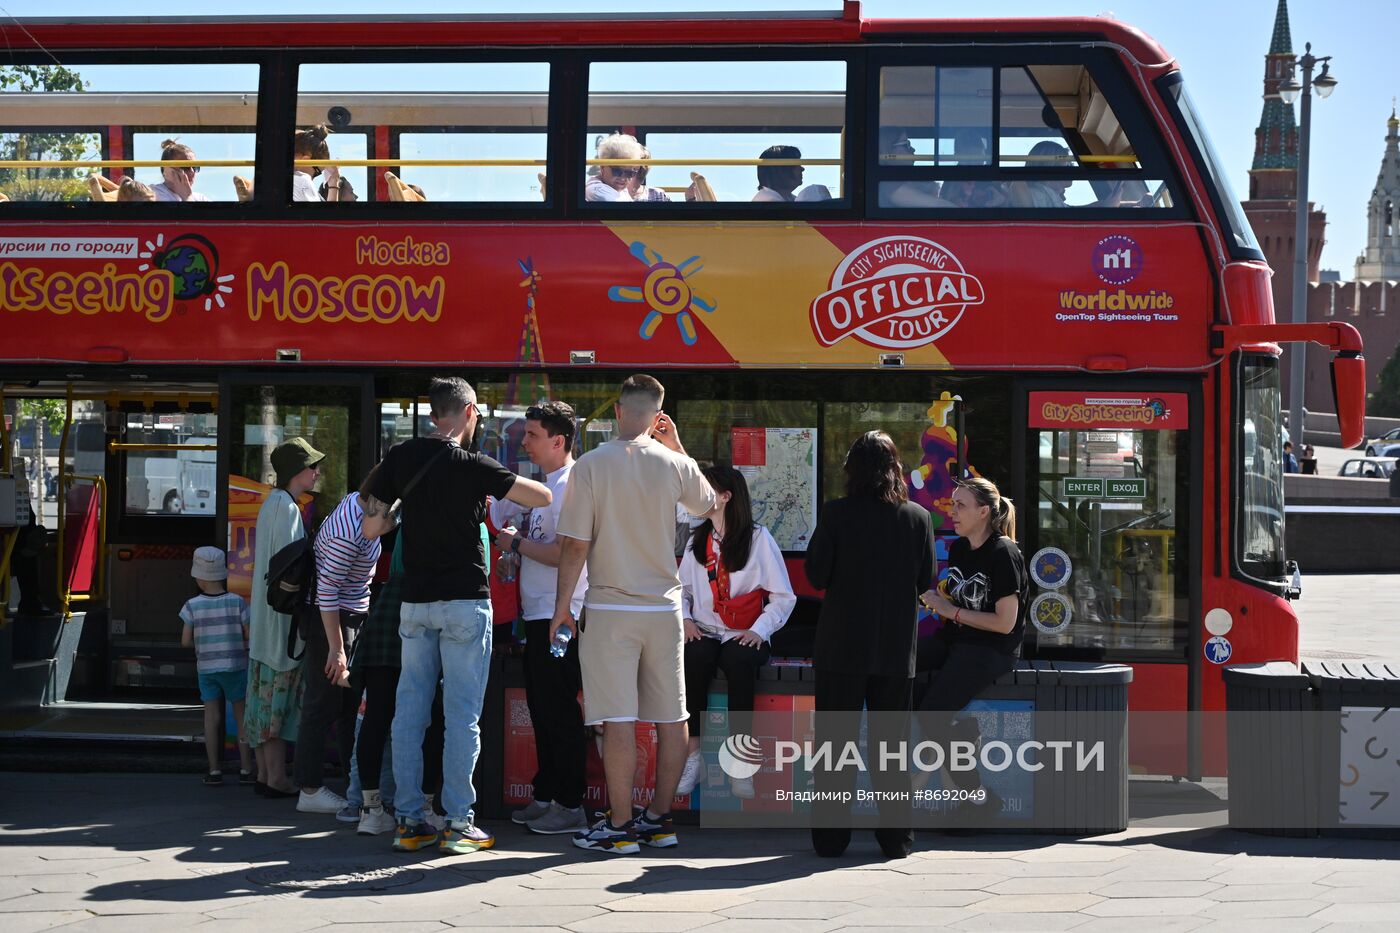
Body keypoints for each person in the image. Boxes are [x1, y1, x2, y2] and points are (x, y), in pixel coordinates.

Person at [367, 377, 552, 855]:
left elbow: (372, 523)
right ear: (469, 412)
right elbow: (542, 498)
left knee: (409, 714)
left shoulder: (400, 457)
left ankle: (409, 820)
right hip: (465, 603)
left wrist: (398, 517)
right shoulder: (473, 466)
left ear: (434, 414)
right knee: (462, 717)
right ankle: (457, 823)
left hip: (414, 604)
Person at [551, 374, 716, 855]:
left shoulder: (591, 465)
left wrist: (564, 608)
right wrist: (677, 445)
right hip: (664, 608)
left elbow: (576, 544)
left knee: (617, 718)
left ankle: (619, 825)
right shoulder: (674, 464)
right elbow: (708, 503)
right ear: (658, 414)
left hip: (608, 607)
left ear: (619, 412)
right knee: (671, 716)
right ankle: (659, 820)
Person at [804, 431, 934, 860]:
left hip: (841, 647)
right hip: (896, 648)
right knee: (892, 751)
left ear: (852, 470)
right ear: (896, 468)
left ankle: (830, 841)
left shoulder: (836, 514)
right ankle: (896, 841)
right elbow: (924, 581)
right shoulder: (918, 518)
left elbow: (817, 576)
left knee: (835, 749)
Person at [491, 402, 591, 835]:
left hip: (561, 614)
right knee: (543, 708)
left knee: (558, 710)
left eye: (532, 435)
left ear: (559, 440)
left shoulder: (570, 485)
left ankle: (570, 802)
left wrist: (514, 546)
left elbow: (565, 552)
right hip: (539, 612)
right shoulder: (546, 484)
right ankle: (548, 793)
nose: (524, 442)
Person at [677, 465, 795, 800]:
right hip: (705, 630)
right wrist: (685, 620)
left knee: (739, 660)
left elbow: (783, 596)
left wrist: (760, 630)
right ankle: (694, 755)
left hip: (745, 632)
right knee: (694, 654)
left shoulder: (758, 539)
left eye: (705, 489)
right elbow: (680, 590)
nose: (697, 495)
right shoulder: (697, 542)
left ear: (726, 496)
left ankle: (742, 765)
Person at [916, 477, 1027, 825]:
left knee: (931, 715)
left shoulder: (1004, 553)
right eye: (952, 503)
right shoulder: (960, 548)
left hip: (992, 648)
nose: (953, 511)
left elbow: (1005, 624)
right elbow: (961, 599)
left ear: (983, 512)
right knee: (900, 666)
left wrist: (951, 611)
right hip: (958, 638)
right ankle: (961, 734)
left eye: (960, 505)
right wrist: (939, 602)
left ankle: (979, 800)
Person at [294, 473, 398, 815]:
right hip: (333, 618)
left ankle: (353, 785)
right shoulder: (345, 532)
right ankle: (309, 788)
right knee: (322, 701)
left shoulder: (363, 505)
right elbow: (327, 593)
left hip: (351, 613)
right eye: (391, 516)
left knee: (348, 705)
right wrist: (337, 648)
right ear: (375, 508)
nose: (393, 523)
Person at [344, 530, 448, 836]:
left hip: (391, 605)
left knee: (377, 715)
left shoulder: (407, 498)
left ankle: (371, 810)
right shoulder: (448, 504)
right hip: (427, 599)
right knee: (432, 718)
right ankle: (425, 808)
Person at [245, 437, 324, 798]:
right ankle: (276, 777)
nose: (316, 472)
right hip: (282, 624)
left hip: (265, 622)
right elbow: (293, 569)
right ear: (297, 472)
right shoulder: (288, 509)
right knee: (279, 702)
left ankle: (265, 774)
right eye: (312, 466)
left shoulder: (271, 504)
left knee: (262, 702)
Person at [180, 546, 254, 787]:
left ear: (198, 577)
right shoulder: (237, 602)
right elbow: (248, 634)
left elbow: (185, 641)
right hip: (235, 665)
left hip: (207, 668)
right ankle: (246, 769)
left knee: (211, 717)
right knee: (241, 716)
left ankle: (214, 770)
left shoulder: (192, 605)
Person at [586, 133, 644, 202]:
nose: (623, 178)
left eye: (629, 173)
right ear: (602, 167)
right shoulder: (597, 192)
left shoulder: (619, 189)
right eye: (617, 171)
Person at [292, 125, 343, 203]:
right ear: (306, 160)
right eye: (317, 171)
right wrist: (334, 182)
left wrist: (333, 182)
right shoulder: (302, 179)